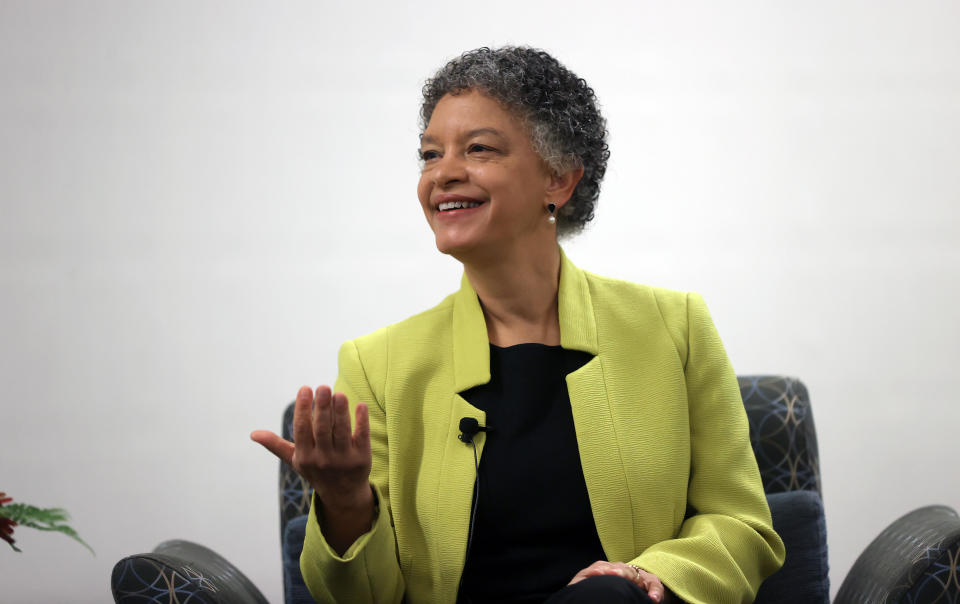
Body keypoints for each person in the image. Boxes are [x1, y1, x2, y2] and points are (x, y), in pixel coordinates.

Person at [252, 46, 785, 604]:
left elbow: (741, 523)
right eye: (430, 155)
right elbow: (360, 598)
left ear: (558, 180)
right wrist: (343, 502)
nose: (444, 174)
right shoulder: (377, 364)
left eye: (478, 149)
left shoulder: (674, 327)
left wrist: (650, 578)